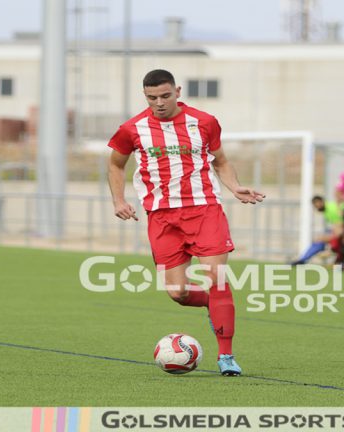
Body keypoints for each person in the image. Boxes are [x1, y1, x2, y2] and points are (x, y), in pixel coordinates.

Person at [107, 69, 265, 375]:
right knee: (178, 293)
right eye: (153, 98)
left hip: (204, 209)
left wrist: (235, 187)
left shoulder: (204, 122)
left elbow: (220, 161)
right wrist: (118, 200)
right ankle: (214, 305)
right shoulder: (132, 128)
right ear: (145, 97)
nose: (160, 103)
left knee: (216, 277)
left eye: (166, 96)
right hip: (162, 217)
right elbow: (116, 165)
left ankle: (226, 356)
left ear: (177, 91)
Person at [291, 195, 344, 265]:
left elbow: (342, 224)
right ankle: (302, 259)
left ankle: (303, 259)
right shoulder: (327, 210)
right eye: (315, 205)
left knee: (320, 240)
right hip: (340, 231)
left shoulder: (332, 208)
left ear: (322, 201)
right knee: (319, 240)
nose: (317, 206)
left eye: (317, 204)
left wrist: (329, 239)